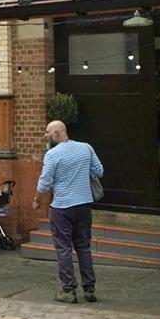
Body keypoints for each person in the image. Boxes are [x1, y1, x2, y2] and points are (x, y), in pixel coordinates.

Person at [34, 120, 103, 304]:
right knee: (84, 246)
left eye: (48, 132)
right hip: (84, 205)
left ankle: (68, 290)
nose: (45, 136)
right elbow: (99, 170)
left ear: (57, 133)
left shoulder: (52, 155)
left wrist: (37, 200)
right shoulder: (86, 148)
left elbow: (44, 182)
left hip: (62, 207)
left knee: (64, 248)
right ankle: (89, 288)